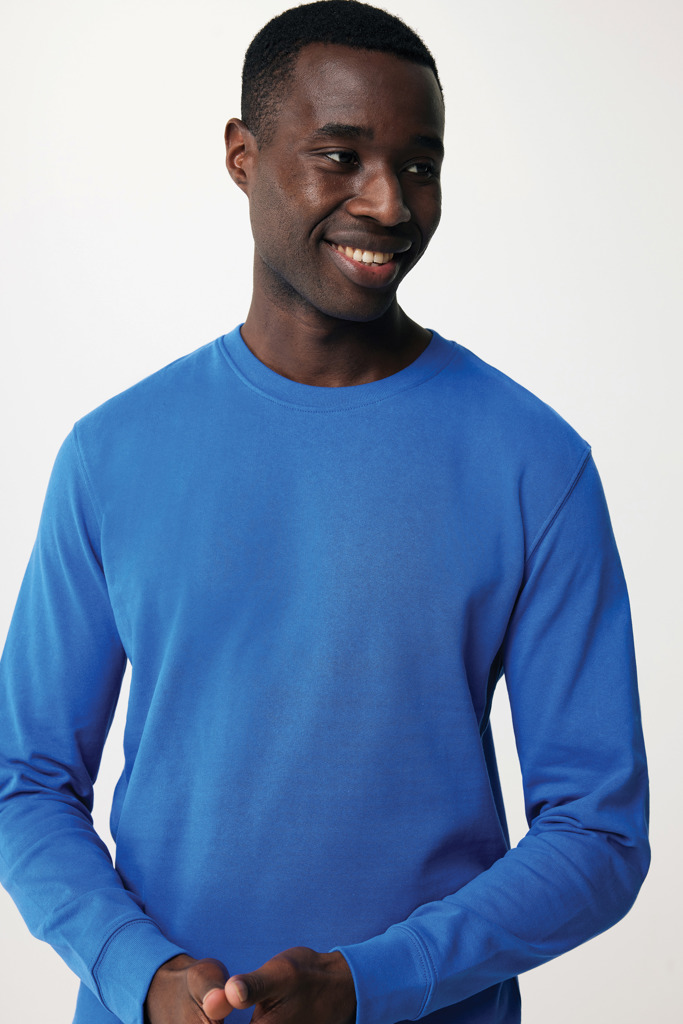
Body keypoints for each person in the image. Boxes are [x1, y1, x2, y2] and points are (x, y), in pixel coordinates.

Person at [0, 3, 649, 1024]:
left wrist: (367, 983)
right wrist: (139, 974)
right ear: (242, 155)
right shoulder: (111, 454)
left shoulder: (535, 463)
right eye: (339, 157)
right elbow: (24, 780)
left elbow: (597, 832)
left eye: (419, 165)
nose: (388, 202)